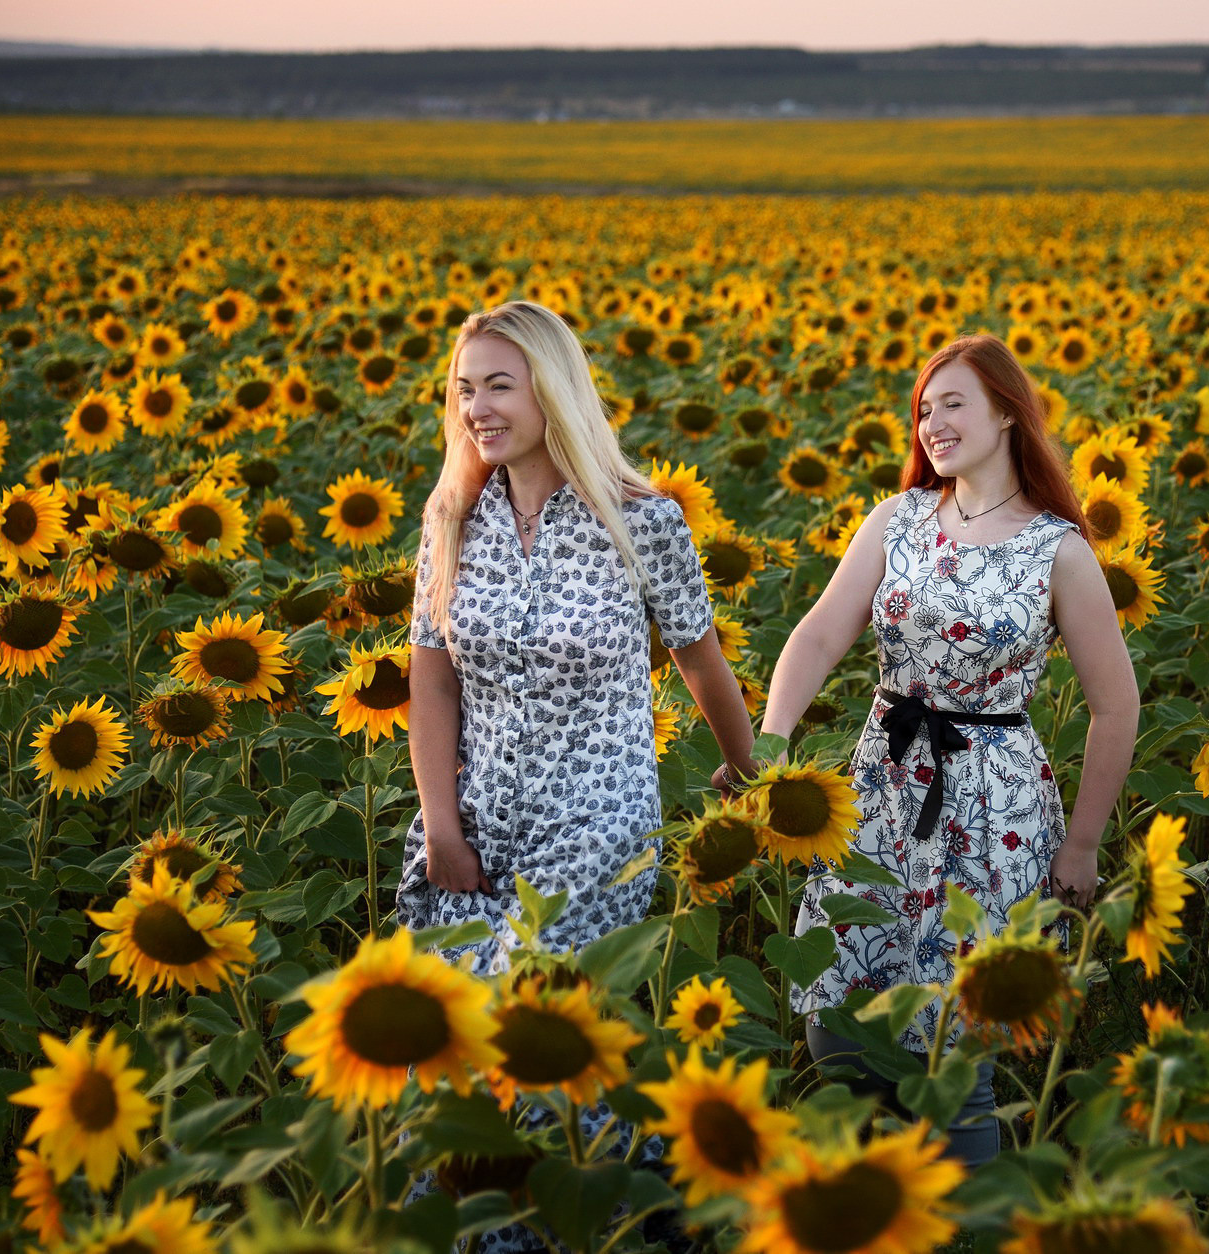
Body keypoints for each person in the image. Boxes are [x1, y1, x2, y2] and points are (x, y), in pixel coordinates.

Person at [759, 333, 1140, 1166]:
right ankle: (870, 1201)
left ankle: (971, 1220)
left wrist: (1081, 847)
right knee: (840, 1026)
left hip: (992, 806)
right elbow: (822, 633)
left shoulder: (1059, 550)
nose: (932, 423)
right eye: (922, 411)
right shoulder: (896, 520)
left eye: (952, 403)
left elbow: (1116, 707)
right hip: (883, 782)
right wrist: (772, 740)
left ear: (1007, 410)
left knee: (954, 1047)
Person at [393, 301, 758, 975]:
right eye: (465, 390)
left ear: (552, 389)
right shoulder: (452, 521)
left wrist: (749, 773)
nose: (477, 409)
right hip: (475, 824)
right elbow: (434, 682)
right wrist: (442, 828)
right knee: (442, 1042)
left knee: (530, 1020)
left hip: (595, 827)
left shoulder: (642, 522)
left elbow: (700, 661)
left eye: (499, 385)